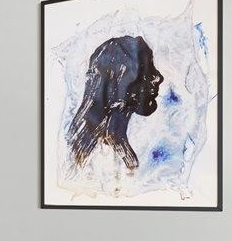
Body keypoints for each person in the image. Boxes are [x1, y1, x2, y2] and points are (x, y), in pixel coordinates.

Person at [67, 35, 163, 170]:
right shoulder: (90, 160)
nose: (158, 77)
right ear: (119, 81)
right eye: (145, 67)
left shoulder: (117, 147)